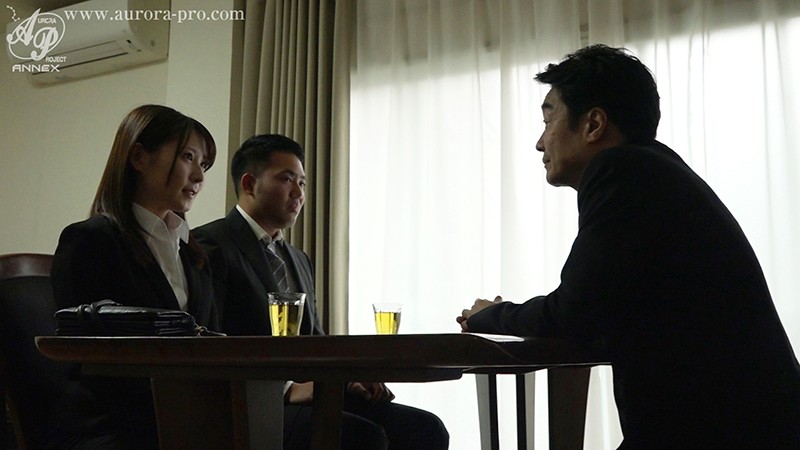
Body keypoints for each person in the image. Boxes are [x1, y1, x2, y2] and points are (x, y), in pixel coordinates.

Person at [457, 45, 800, 449]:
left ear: (593, 124)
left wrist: (490, 316)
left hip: (721, 430)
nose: (539, 142)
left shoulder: (620, 171)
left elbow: (574, 312)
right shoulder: (654, 170)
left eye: (548, 120)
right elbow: (601, 311)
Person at [193, 134, 449, 450]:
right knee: (362, 437)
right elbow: (211, 342)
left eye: (302, 182)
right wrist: (287, 388)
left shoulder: (299, 259)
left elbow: (314, 338)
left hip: (314, 393)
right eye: (286, 179)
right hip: (250, 401)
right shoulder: (210, 245)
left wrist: (351, 377)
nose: (299, 192)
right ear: (249, 184)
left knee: (425, 429)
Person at [50, 104, 219, 449]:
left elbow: (213, 343)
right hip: (119, 429)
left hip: (191, 419)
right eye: (188, 157)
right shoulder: (89, 241)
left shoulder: (194, 254)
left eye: (203, 164)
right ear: (139, 157)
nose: (199, 177)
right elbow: (85, 362)